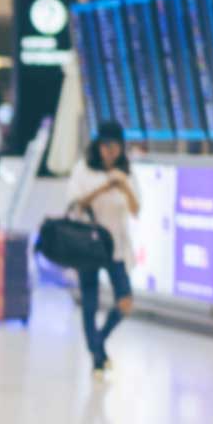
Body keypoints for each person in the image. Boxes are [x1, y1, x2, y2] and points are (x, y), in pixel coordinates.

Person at [66, 121, 140, 377]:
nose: (109, 151)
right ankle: (97, 360)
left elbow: (135, 209)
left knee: (125, 301)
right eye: (105, 146)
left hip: (116, 247)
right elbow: (75, 204)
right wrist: (104, 187)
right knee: (90, 301)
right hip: (89, 245)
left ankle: (98, 343)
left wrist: (124, 186)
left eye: (114, 146)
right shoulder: (84, 170)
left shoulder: (125, 173)